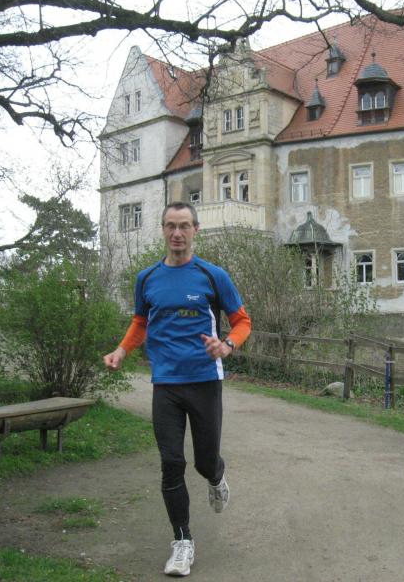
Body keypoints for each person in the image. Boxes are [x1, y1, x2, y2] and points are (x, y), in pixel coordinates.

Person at [104, 201, 251, 577]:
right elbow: (141, 321)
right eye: (170, 226)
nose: (177, 233)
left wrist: (227, 346)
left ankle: (216, 475)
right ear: (163, 230)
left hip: (204, 381)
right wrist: (122, 350)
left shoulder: (212, 275)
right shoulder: (147, 278)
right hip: (166, 383)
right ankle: (182, 541)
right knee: (171, 463)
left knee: (203, 461)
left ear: (195, 230)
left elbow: (242, 321)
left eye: (184, 226)